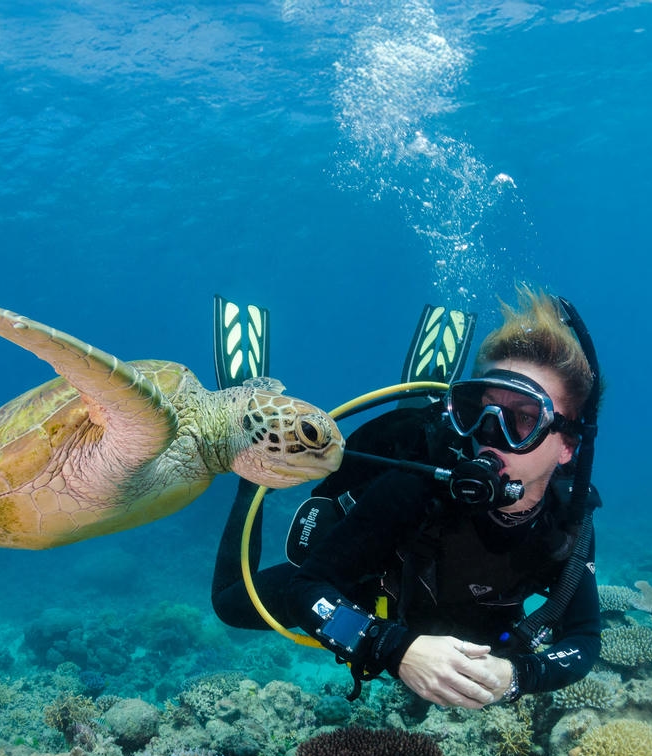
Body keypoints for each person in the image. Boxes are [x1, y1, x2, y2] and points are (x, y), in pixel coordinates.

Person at [210, 286, 602, 709]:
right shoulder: (417, 486)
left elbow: (583, 638)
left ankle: (426, 399)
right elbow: (307, 590)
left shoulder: (567, 521)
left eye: (523, 419)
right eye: (478, 411)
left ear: (567, 445)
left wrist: (517, 675)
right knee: (229, 604)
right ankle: (249, 467)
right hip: (375, 589)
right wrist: (389, 647)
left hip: (459, 619)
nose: (489, 438)